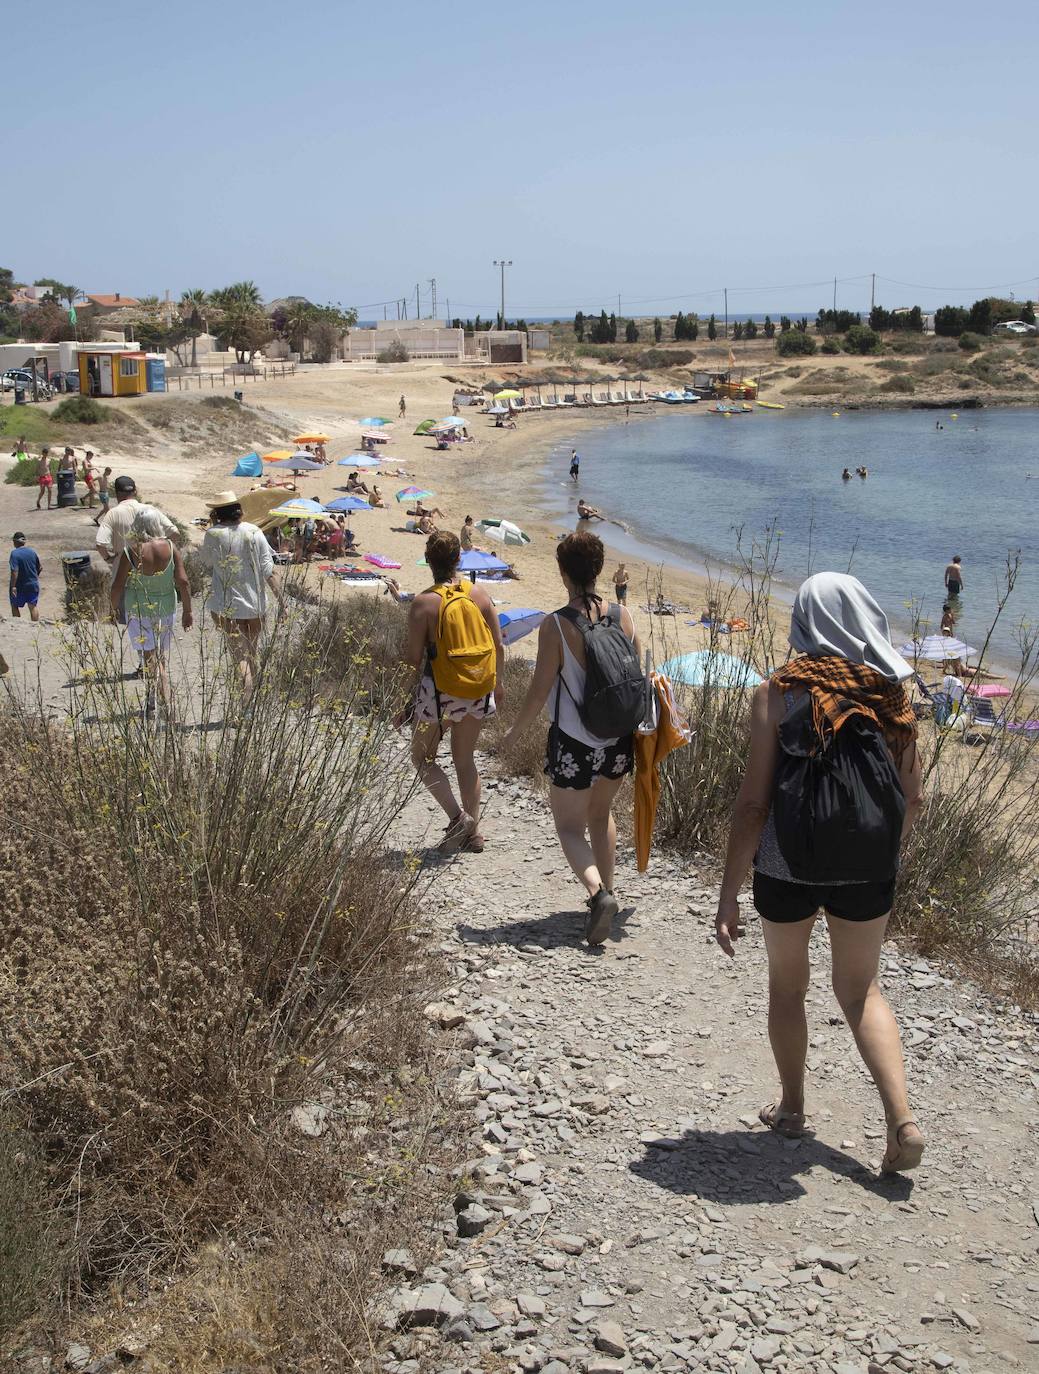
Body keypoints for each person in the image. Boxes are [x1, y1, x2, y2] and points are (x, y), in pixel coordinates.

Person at [714, 571, 926, 1174]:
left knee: (788, 987)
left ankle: (792, 1109)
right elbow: (912, 799)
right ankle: (901, 1120)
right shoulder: (891, 697)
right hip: (868, 868)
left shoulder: (777, 694)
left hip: (787, 866)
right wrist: (885, 858)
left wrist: (728, 893)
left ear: (804, 621)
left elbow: (754, 805)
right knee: (860, 992)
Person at [503, 531, 641, 945]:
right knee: (602, 814)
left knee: (568, 826)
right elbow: (636, 676)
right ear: (599, 570)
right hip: (618, 738)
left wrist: (514, 732)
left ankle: (599, 894)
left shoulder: (557, 626)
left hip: (574, 742)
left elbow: (540, 689)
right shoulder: (623, 615)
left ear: (563, 573)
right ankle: (610, 893)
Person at [402, 530, 504, 853]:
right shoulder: (480, 596)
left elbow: (412, 661)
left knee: (421, 757)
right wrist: (497, 684)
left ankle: (459, 819)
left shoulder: (424, 604)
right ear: (459, 559)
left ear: (428, 561)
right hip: (476, 687)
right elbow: (499, 646)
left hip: (439, 693)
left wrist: (404, 702)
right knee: (465, 758)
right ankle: (473, 835)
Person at [200, 491, 285, 706]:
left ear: (217, 513)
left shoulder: (214, 534)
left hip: (227, 605)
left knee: (240, 658)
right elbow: (269, 571)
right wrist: (282, 602)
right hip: (256, 604)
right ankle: (253, 701)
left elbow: (208, 562)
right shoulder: (255, 532)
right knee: (252, 653)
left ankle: (244, 706)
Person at [109, 507, 193, 720]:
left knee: (150, 657)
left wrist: (112, 608)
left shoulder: (132, 551)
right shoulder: (171, 547)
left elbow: (118, 585)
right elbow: (183, 580)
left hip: (139, 608)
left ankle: (168, 702)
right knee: (159, 657)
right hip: (166, 607)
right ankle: (152, 699)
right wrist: (188, 611)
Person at [96, 476, 177, 566]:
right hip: (153, 569)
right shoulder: (150, 509)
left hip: (123, 569)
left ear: (116, 493)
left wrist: (109, 559)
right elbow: (175, 533)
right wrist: (162, 548)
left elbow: (100, 544)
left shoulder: (112, 513)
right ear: (135, 492)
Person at [9, 532, 41, 622]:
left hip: (20, 585)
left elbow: (14, 571)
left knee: (14, 605)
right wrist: (34, 577)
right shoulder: (32, 552)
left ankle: (17, 624)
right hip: (33, 584)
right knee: (32, 606)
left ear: (15, 542)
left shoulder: (14, 554)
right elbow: (40, 567)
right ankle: (35, 626)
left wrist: (13, 586)